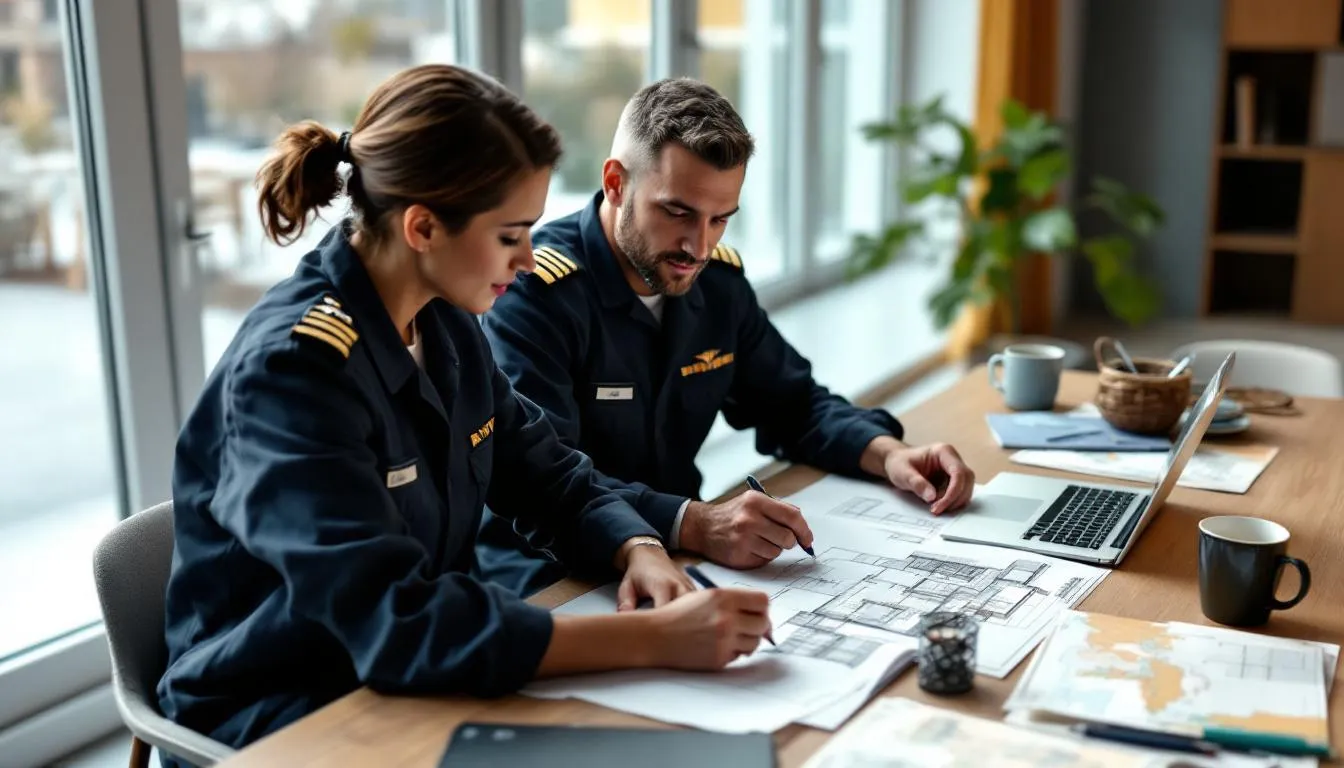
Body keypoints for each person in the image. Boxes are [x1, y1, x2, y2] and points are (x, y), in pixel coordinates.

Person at [156, 65, 774, 764]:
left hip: (416, 678)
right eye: (511, 234)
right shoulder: (294, 371)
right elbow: (397, 621)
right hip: (286, 711)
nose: (529, 257)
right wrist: (653, 639)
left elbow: (548, 477)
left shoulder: (444, 324)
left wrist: (640, 548)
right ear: (422, 226)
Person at [477, 77, 976, 598]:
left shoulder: (716, 283)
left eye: (720, 219)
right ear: (616, 183)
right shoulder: (532, 294)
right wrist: (695, 523)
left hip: (681, 557)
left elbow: (794, 404)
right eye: (678, 212)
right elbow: (549, 480)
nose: (699, 245)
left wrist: (887, 453)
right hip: (550, 575)